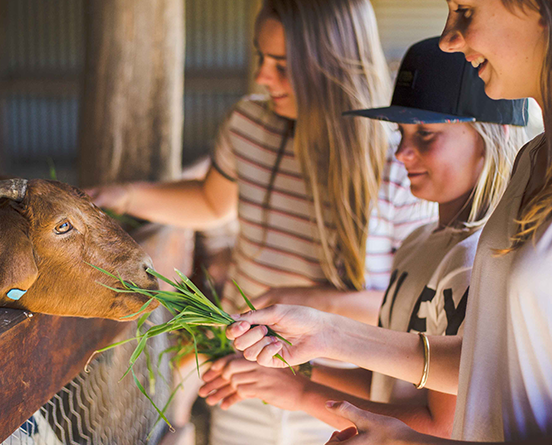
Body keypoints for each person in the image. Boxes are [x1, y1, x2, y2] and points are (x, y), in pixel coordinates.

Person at [224, 0, 552, 443]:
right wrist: (328, 333)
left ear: (549, 10)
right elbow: (500, 365)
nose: (448, 37)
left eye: (465, 9)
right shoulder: (534, 160)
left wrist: (403, 439)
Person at [87, 1, 434, 442]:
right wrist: (126, 194)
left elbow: (402, 308)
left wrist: (305, 299)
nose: (263, 77)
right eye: (261, 58)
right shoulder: (249, 124)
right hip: (246, 375)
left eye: (283, 66)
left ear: (331, 67)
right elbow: (212, 203)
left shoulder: (397, 161)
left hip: (342, 389)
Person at [198, 37, 528, 439]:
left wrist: (302, 393)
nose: (403, 152)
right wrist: (290, 367)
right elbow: (383, 382)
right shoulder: (419, 243)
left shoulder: (474, 263)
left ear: (494, 136)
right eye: (401, 132)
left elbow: (442, 426)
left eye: (425, 133)